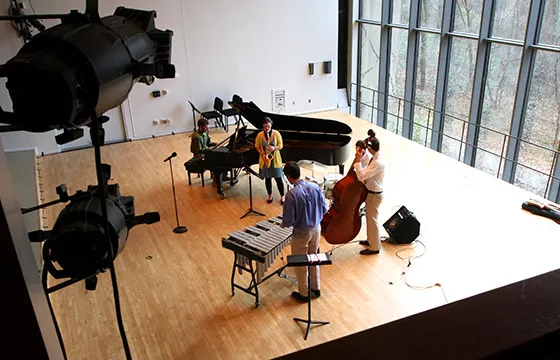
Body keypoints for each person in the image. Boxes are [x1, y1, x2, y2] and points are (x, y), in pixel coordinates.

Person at [281, 161, 327, 302]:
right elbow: (324, 208)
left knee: (301, 263)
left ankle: (304, 293)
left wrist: (283, 223)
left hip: (302, 233)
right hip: (317, 228)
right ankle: (316, 288)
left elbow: (288, 221)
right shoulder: (314, 186)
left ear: (288, 177)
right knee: (314, 258)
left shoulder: (291, 195)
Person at [353, 137, 385, 255]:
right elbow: (366, 171)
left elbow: (361, 176)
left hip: (374, 194)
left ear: (371, 148)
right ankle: (371, 240)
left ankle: (375, 247)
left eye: (367, 148)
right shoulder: (375, 157)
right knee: (370, 219)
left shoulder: (377, 162)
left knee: (372, 220)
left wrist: (357, 160)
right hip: (371, 193)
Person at [255, 117, 285, 204]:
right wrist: (263, 154)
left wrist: (274, 148)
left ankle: (282, 196)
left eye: (268, 126)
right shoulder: (260, 135)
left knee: (278, 179)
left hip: (275, 160)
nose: (267, 128)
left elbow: (281, 145)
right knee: (267, 179)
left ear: (271, 125)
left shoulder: (276, 134)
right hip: (265, 160)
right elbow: (257, 146)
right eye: (265, 127)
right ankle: (269, 195)